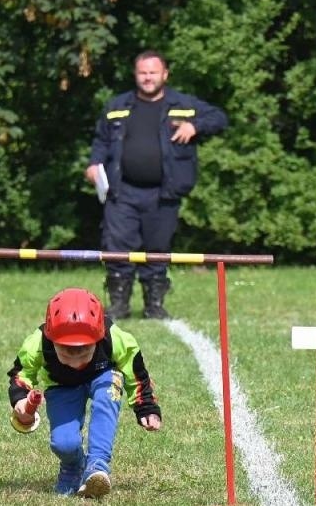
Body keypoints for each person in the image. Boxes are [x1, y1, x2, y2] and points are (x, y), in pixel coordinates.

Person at [84, 51, 227, 321]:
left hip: (164, 193)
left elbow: (220, 118)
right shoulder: (117, 105)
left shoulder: (183, 104)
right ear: (135, 75)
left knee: (157, 249)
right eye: (142, 73)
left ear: (165, 74)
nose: (148, 78)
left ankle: (155, 305)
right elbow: (100, 141)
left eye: (153, 72)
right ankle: (118, 305)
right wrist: (94, 164)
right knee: (116, 248)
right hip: (121, 191)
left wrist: (194, 126)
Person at [8, 287, 162, 498]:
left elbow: (134, 370)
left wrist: (145, 406)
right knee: (63, 443)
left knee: (107, 398)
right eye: (65, 355)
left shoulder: (114, 337)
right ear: (52, 339)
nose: (75, 364)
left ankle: (97, 464)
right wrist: (20, 399)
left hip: (104, 375)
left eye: (84, 354)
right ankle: (73, 466)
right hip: (61, 385)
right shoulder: (37, 342)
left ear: (98, 338)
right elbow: (21, 374)